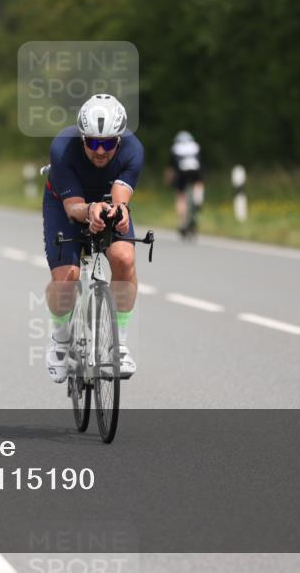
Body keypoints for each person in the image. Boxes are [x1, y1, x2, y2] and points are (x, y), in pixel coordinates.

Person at [42, 94, 143, 383]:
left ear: (119, 141)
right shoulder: (63, 147)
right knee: (67, 277)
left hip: (105, 200)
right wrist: (90, 211)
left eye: (108, 144)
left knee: (124, 258)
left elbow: (121, 196)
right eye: (92, 142)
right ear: (82, 138)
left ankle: (119, 346)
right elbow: (73, 207)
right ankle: (60, 339)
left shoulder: (133, 149)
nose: (100, 150)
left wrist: (119, 210)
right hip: (65, 203)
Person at [166, 130, 204, 238]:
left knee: (180, 196)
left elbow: (171, 169)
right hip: (195, 170)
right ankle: (198, 198)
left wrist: (169, 181)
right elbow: (200, 162)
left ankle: (182, 223)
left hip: (182, 171)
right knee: (198, 183)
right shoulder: (196, 146)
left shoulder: (175, 148)